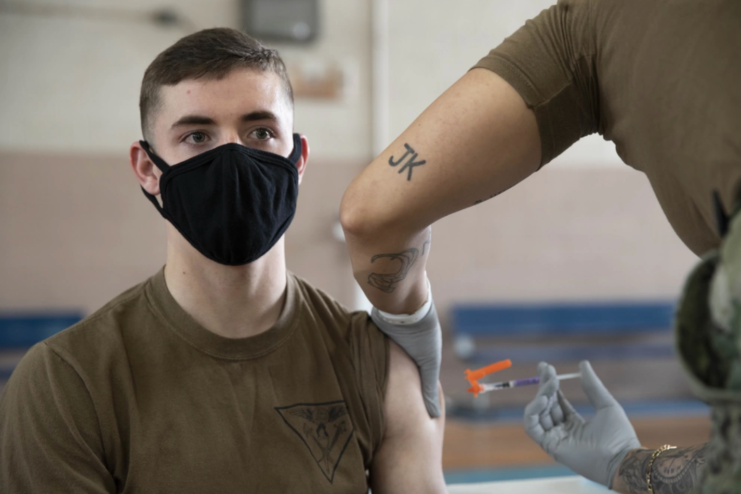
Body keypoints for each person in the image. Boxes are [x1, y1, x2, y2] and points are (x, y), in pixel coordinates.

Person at [0, 28, 447, 494]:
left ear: (298, 159)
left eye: (261, 132)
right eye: (197, 136)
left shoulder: (376, 366)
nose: (233, 157)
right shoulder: (65, 385)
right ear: (149, 169)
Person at [340, 0, 740, 492]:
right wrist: (623, 464)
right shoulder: (589, 27)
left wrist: (418, 350)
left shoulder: (593, 26)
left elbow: (370, 214)